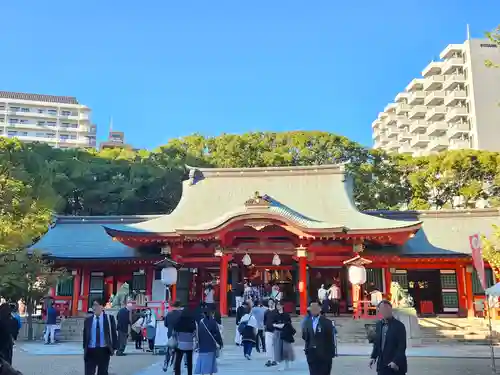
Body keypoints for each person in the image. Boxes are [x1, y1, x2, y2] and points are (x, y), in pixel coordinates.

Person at [369, 300, 407, 375]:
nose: (385, 311)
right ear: (379, 311)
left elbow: (402, 346)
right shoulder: (378, 325)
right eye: (382, 309)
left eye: (387, 309)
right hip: (382, 365)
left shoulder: (399, 326)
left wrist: (395, 361)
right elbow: (376, 343)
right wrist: (373, 357)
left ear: (391, 309)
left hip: (395, 365)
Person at [83, 298, 118, 375]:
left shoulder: (109, 319)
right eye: (93, 305)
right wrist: (85, 348)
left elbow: (113, 333)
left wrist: (114, 347)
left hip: (104, 350)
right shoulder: (88, 320)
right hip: (90, 350)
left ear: (102, 307)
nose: (94, 307)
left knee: (102, 372)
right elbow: (85, 335)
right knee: (89, 372)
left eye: (96, 305)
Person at [302, 302, 335, 375]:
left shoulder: (327, 322)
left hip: (324, 355)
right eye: (311, 308)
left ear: (320, 309)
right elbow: (305, 336)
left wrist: (331, 354)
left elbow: (331, 339)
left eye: (315, 308)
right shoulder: (307, 322)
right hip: (311, 354)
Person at [195, 309, 223, 375]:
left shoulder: (200, 322)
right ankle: (210, 373)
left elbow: (198, 334)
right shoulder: (213, 322)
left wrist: (198, 344)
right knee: (211, 362)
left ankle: (202, 373)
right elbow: (217, 334)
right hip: (211, 345)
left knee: (202, 361)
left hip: (202, 346)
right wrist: (220, 343)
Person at [173, 308, 196, 375]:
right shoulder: (192, 321)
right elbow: (194, 333)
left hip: (180, 344)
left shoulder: (178, 321)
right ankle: (189, 373)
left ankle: (177, 373)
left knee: (178, 360)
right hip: (189, 344)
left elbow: (175, 332)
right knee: (189, 361)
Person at [272, 300, 294, 370]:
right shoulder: (275, 315)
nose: (278, 306)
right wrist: (278, 325)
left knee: (286, 349)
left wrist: (283, 325)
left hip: (285, 333)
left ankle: (287, 363)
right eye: (277, 305)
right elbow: (272, 323)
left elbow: (289, 323)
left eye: (279, 305)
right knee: (278, 349)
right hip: (277, 333)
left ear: (282, 306)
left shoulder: (286, 315)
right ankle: (281, 364)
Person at [163, 301, 183, 372]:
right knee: (178, 351)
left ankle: (166, 363)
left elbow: (165, 324)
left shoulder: (169, 314)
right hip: (179, 335)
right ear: (179, 306)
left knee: (169, 349)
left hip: (170, 334)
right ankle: (175, 366)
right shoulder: (181, 315)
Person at [264, 299, 278, 367]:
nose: (271, 303)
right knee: (268, 345)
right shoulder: (266, 312)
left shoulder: (276, 312)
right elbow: (264, 321)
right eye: (269, 302)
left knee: (275, 346)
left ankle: (274, 360)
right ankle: (269, 359)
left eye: (272, 302)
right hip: (268, 331)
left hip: (275, 331)